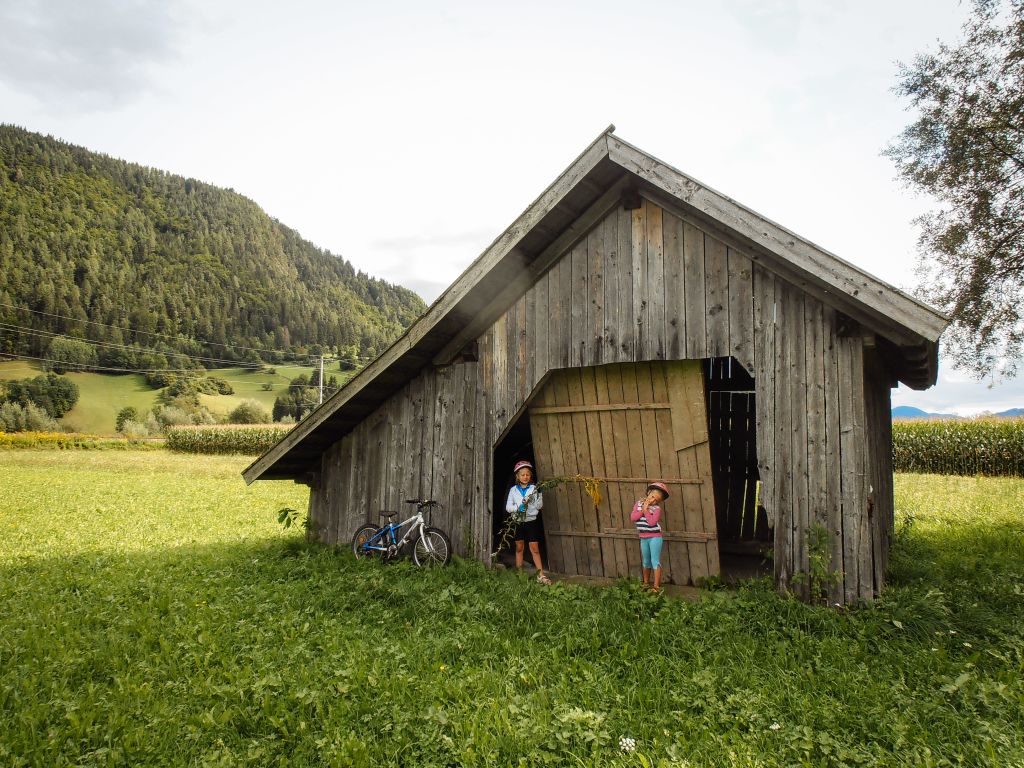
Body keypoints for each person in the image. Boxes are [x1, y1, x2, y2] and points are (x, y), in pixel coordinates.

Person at [505, 459, 551, 585]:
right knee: (519, 547)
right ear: (518, 476)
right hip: (518, 522)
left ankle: (541, 575)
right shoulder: (513, 490)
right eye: (522, 475)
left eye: (527, 474)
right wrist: (517, 508)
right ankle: (519, 573)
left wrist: (539, 495)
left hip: (531, 521)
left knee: (534, 548)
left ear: (530, 476)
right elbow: (508, 507)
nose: (525, 477)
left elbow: (539, 506)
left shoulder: (534, 488)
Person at [631, 481, 669, 592]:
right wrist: (643, 509)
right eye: (652, 496)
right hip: (643, 537)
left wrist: (646, 510)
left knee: (655, 561)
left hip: (655, 537)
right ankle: (646, 583)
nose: (653, 500)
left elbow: (652, 523)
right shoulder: (638, 503)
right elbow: (633, 518)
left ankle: (656, 587)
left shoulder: (657, 509)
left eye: (656, 500)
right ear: (648, 492)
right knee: (646, 561)